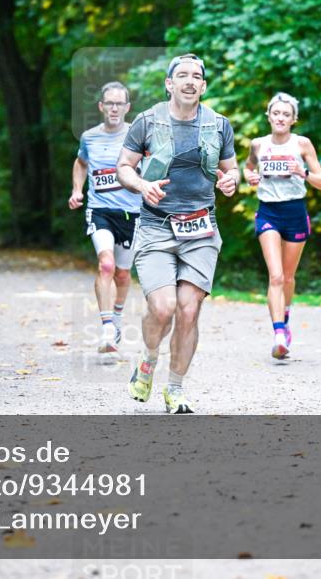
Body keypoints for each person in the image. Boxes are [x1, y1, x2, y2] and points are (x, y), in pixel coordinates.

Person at [116, 54, 238, 413]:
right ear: (169, 83)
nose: (189, 81)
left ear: (202, 86)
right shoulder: (147, 121)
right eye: (181, 75)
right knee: (164, 307)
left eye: (196, 76)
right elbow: (123, 166)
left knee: (188, 310)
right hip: (156, 225)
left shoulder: (219, 125)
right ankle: (148, 358)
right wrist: (141, 185)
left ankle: (176, 388)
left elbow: (230, 172)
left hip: (201, 228)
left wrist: (231, 180)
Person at [242, 92, 321, 359]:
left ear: (293, 120)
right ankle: (279, 334)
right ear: (268, 116)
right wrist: (251, 178)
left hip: (295, 212)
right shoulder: (257, 144)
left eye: (286, 115)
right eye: (276, 113)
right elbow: (247, 169)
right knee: (276, 276)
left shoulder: (302, 144)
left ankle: (285, 319)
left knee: (288, 277)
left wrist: (301, 171)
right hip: (268, 212)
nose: (280, 118)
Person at [69, 82, 142, 353]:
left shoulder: (138, 135)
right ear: (101, 106)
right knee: (107, 266)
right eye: (109, 103)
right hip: (100, 211)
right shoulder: (89, 137)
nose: (114, 108)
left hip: (133, 213)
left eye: (119, 103)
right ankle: (107, 328)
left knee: (123, 274)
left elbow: (153, 165)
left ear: (127, 107)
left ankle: (118, 316)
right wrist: (77, 190)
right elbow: (80, 163)